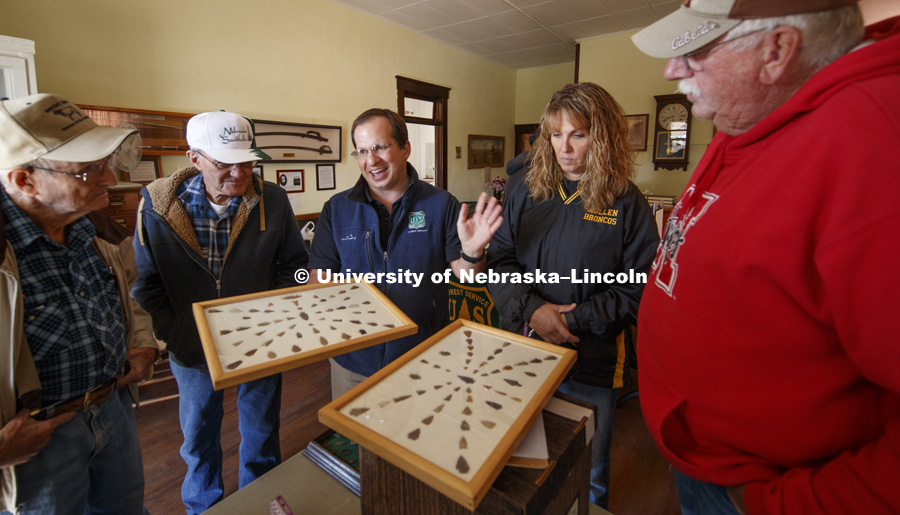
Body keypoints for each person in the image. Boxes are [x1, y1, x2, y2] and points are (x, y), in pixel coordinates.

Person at [631, 1, 900, 513]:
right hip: (706, 462)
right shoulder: (751, 109)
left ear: (776, 50)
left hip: (762, 490)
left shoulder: (877, 140)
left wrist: (780, 503)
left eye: (696, 51)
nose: (672, 69)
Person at [487, 82, 660, 508]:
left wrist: (572, 320)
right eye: (556, 134)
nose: (565, 147)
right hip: (525, 347)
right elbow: (500, 262)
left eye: (578, 135)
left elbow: (639, 288)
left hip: (593, 361)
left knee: (590, 467)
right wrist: (534, 311)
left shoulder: (626, 201)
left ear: (600, 137)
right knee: (522, 457)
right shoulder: (525, 191)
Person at [131, 111, 309, 514]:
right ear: (195, 158)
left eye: (247, 161)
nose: (239, 172)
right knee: (197, 435)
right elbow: (145, 283)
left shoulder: (273, 200)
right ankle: (203, 507)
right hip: (192, 346)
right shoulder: (156, 208)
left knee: (262, 431)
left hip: (262, 341)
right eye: (224, 162)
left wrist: (277, 316)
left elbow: (296, 266)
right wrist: (174, 332)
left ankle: (260, 500)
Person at [0, 93, 158, 513]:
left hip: (114, 408)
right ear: (23, 180)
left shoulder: (95, 225)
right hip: (35, 444)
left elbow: (128, 294)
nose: (109, 179)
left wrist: (143, 344)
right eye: (88, 170)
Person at [308, 108, 502, 398]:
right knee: (364, 440)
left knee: (421, 435)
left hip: (424, 353)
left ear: (405, 148)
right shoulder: (337, 209)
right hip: (354, 361)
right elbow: (318, 280)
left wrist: (473, 251)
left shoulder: (440, 204)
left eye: (380, 147)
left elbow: (467, 276)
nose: (370, 160)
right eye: (361, 151)